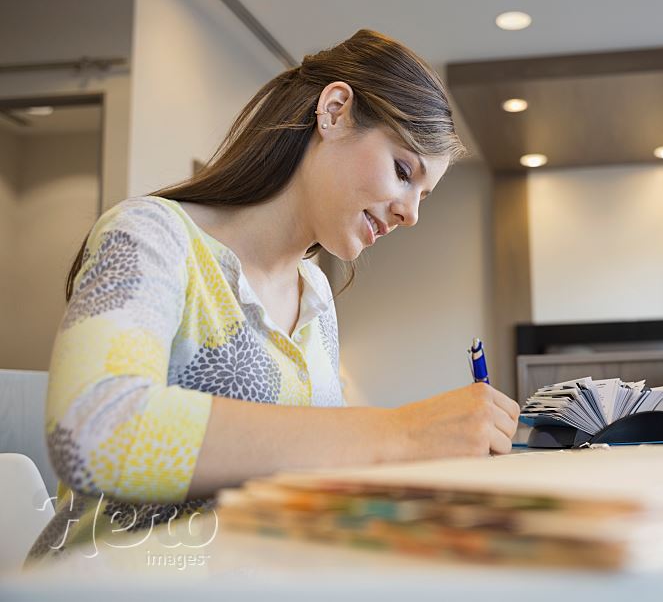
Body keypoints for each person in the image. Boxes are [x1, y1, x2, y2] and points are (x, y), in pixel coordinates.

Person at [27, 29, 520, 562]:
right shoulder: (151, 235)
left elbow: (306, 463)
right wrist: (399, 432)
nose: (411, 213)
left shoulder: (317, 294)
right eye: (403, 172)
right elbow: (95, 430)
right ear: (333, 111)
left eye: (422, 195)